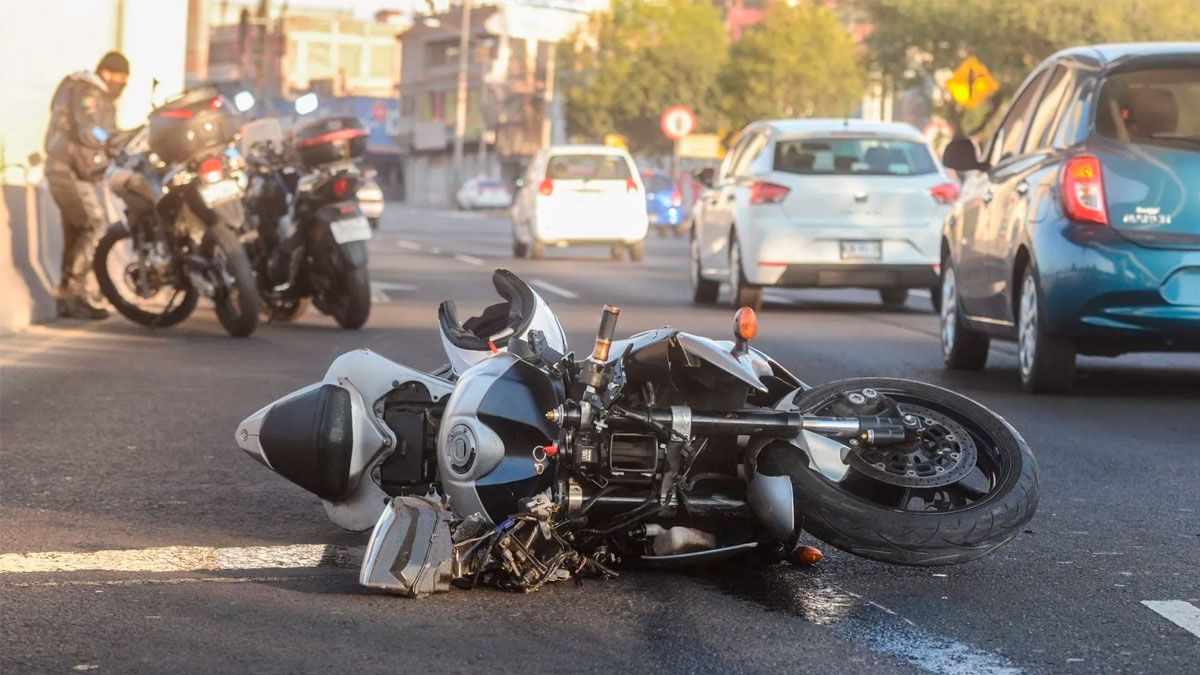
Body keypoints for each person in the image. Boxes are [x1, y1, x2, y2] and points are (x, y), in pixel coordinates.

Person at [43, 51, 129, 319]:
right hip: (66, 168)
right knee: (94, 224)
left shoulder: (84, 89)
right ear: (107, 73)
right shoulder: (87, 92)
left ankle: (70, 296)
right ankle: (73, 294)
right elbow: (91, 129)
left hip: (72, 168)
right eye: (121, 78)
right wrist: (113, 140)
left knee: (77, 229)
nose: (123, 85)